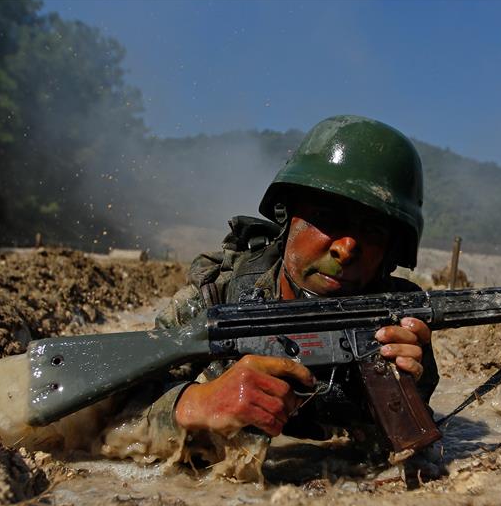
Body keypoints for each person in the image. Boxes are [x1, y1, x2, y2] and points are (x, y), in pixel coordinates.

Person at [97, 115, 439, 481]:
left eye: (371, 231)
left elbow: (406, 458)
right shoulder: (216, 298)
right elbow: (110, 418)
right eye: (327, 218)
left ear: (390, 254)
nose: (345, 248)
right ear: (288, 216)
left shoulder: (393, 319)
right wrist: (197, 404)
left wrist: (407, 389)